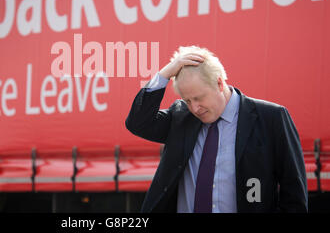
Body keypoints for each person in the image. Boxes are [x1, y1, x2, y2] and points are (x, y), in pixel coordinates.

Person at [125, 45, 307, 213]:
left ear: (220, 84)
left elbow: (294, 192)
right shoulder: (180, 117)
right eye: (188, 101)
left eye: (199, 98)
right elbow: (138, 123)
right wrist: (165, 74)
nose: (194, 108)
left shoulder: (271, 118)